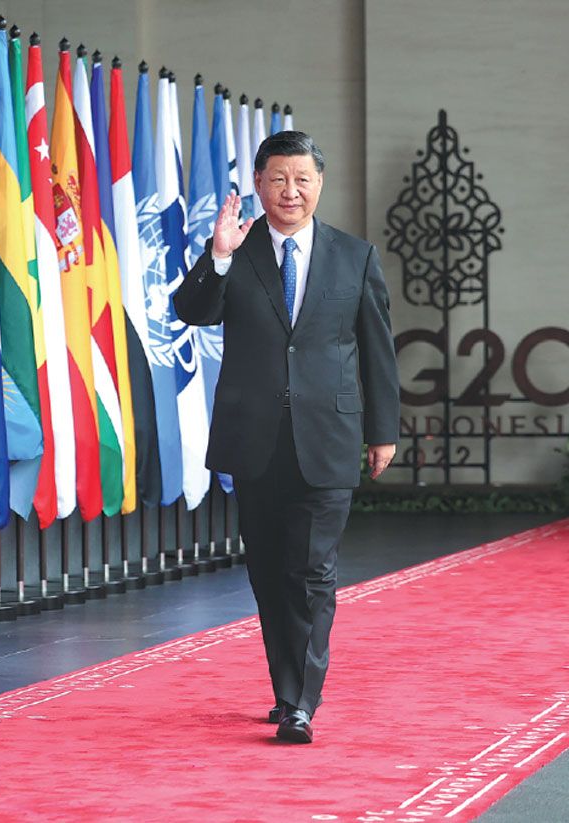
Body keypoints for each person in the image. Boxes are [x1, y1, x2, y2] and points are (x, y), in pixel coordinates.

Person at [174, 131, 399, 744]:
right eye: (278, 178)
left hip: (328, 438)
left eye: (302, 179)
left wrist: (384, 431)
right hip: (255, 440)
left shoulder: (354, 257)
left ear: (320, 184)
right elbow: (191, 311)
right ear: (259, 184)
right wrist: (217, 256)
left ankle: (301, 702)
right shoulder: (238, 253)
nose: (290, 190)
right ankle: (285, 690)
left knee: (313, 570)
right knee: (270, 571)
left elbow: (377, 350)